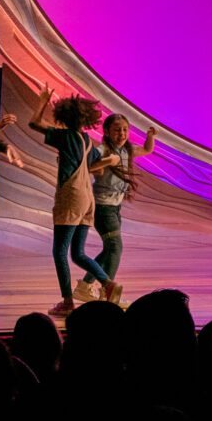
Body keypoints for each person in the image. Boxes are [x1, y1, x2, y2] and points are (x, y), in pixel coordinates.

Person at [29, 85, 123, 316]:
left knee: (60, 251)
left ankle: (68, 301)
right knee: (77, 253)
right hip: (87, 199)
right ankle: (108, 284)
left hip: (71, 197)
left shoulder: (65, 136)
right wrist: (108, 162)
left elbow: (34, 123)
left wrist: (42, 101)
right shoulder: (87, 141)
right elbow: (96, 171)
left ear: (64, 117)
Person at [72, 114, 158, 303]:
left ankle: (84, 287)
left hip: (115, 207)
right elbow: (87, 167)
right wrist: (103, 164)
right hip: (102, 206)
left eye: (125, 130)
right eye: (117, 130)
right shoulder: (102, 150)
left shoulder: (126, 150)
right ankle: (107, 294)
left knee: (109, 249)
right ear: (107, 132)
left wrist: (151, 136)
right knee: (115, 248)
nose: (122, 133)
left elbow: (146, 149)